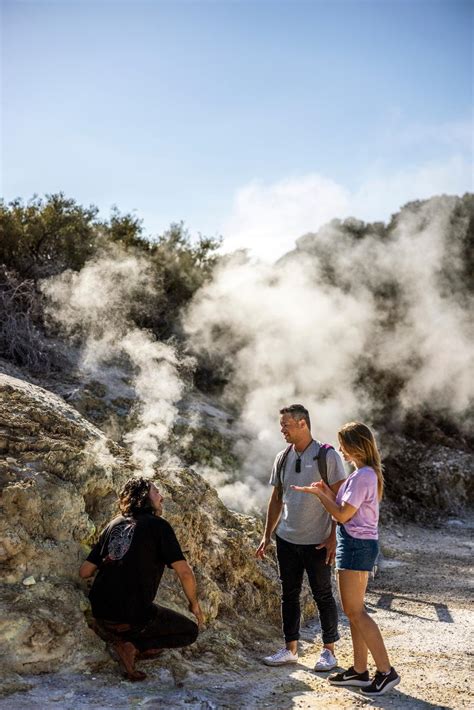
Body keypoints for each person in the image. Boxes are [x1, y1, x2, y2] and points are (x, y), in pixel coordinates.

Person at [291, 421, 401, 697]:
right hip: (357, 544)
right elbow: (343, 506)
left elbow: (341, 515)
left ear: (354, 446)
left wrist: (319, 495)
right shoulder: (364, 474)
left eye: (342, 444)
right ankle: (360, 671)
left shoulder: (364, 475)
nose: (339, 449)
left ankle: (386, 672)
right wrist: (326, 492)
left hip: (355, 546)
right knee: (355, 611)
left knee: (355, 612)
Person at [79, 477, 204, 681]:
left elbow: (84, 572)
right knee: (189, 631)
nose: (161, 497)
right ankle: (131, 646)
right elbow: (185, 572)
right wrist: (194, 604)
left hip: (100, 611)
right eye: (156, 492)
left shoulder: (114, 525)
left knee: (140, 612)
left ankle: (125, 638)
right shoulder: (159, 526)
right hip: (131, 614)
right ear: (144, 497)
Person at [256, 404, 347, 671]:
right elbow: (276, 498)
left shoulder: (327, 456)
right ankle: (290, 649)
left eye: (285, 424)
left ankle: (329, 651)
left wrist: (333, 536)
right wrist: (267, 535)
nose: (281, 429)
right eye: (281, 424)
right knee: (289, 594)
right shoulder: (282, 457)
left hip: (318, 540)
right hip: (287, 539)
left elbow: (340, 499)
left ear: (302, 424)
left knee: (323, 594)